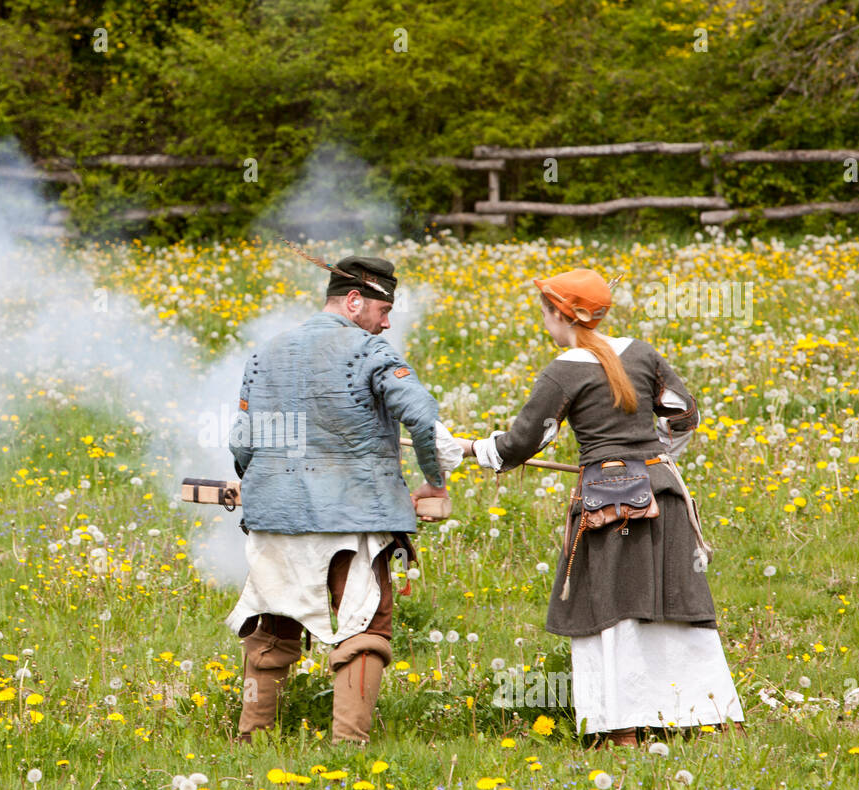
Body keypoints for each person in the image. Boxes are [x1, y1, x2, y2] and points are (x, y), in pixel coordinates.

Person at [463, 268, 745, 747]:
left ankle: (622, 730)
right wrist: (648, 458)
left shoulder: (563, 370)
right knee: (676, 604)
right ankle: (714, 717)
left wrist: (469, 449)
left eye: (545, 312)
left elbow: (521, 444)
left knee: (610, 610)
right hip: (663, 495)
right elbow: (685, 414)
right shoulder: (641, 352)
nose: (544, 321)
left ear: (560, 314)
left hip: (607, 508)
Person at [226, 254, 461, 744]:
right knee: (366, 628)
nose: (388, 320)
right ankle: (348, 747)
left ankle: (252, 738)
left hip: (276, 516)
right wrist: (435, 482)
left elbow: (242, 443)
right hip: (352, 521)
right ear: (355, 301)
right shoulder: (373, 353)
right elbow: (419, 416)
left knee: (271, 629)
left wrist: (257, 483)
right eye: (384, 307)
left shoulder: (265, 353)